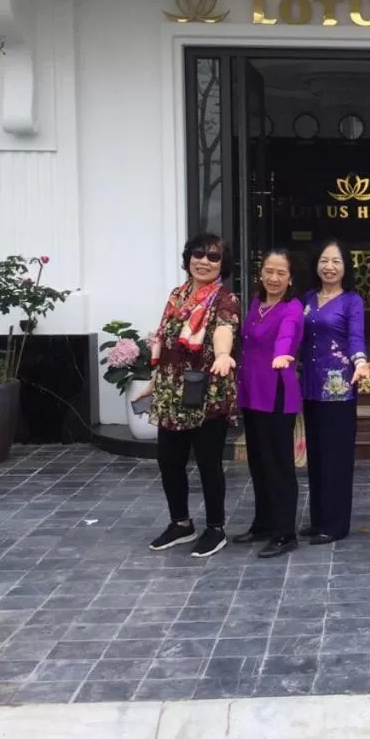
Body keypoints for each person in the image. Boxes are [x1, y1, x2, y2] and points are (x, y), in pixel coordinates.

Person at [140, 232, 239, 559]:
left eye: (214, 257)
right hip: (171, 391)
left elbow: (224, 330)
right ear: (188, 258)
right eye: (199, 254)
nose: (204, 262)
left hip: (206, 393)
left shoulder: (225, 299)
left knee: (209, 464)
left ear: (223, 265)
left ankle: (215, 528)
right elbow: (165, 339)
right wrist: (154, 379)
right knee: (169, 461)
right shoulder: (177, 295)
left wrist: (223, 354)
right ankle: (181, 523)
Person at [234, 250, 304, 558]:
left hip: (276, 392)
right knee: (258, 463)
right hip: (251, 391)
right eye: (269, 271)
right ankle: (263, 522)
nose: (274, 278)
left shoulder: (292, 308)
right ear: (260, 273)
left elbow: (287, 337)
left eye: (281, 273)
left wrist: (282, 353)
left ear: (290, 279)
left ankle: (285, 532)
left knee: (278, 466)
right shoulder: (255, 304)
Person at [300, 239, 370, 543]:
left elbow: (356, 338)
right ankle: (318, 520)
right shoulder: (307, 298)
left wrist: (361, 361)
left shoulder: (351, 301)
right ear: (317, 264)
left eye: (337, 261)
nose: (330, 267)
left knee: (336, 458)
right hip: (310, 387)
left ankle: (335, 524)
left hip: (339, 387)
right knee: (315, 455)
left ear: (345, 268)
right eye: (325, 260)